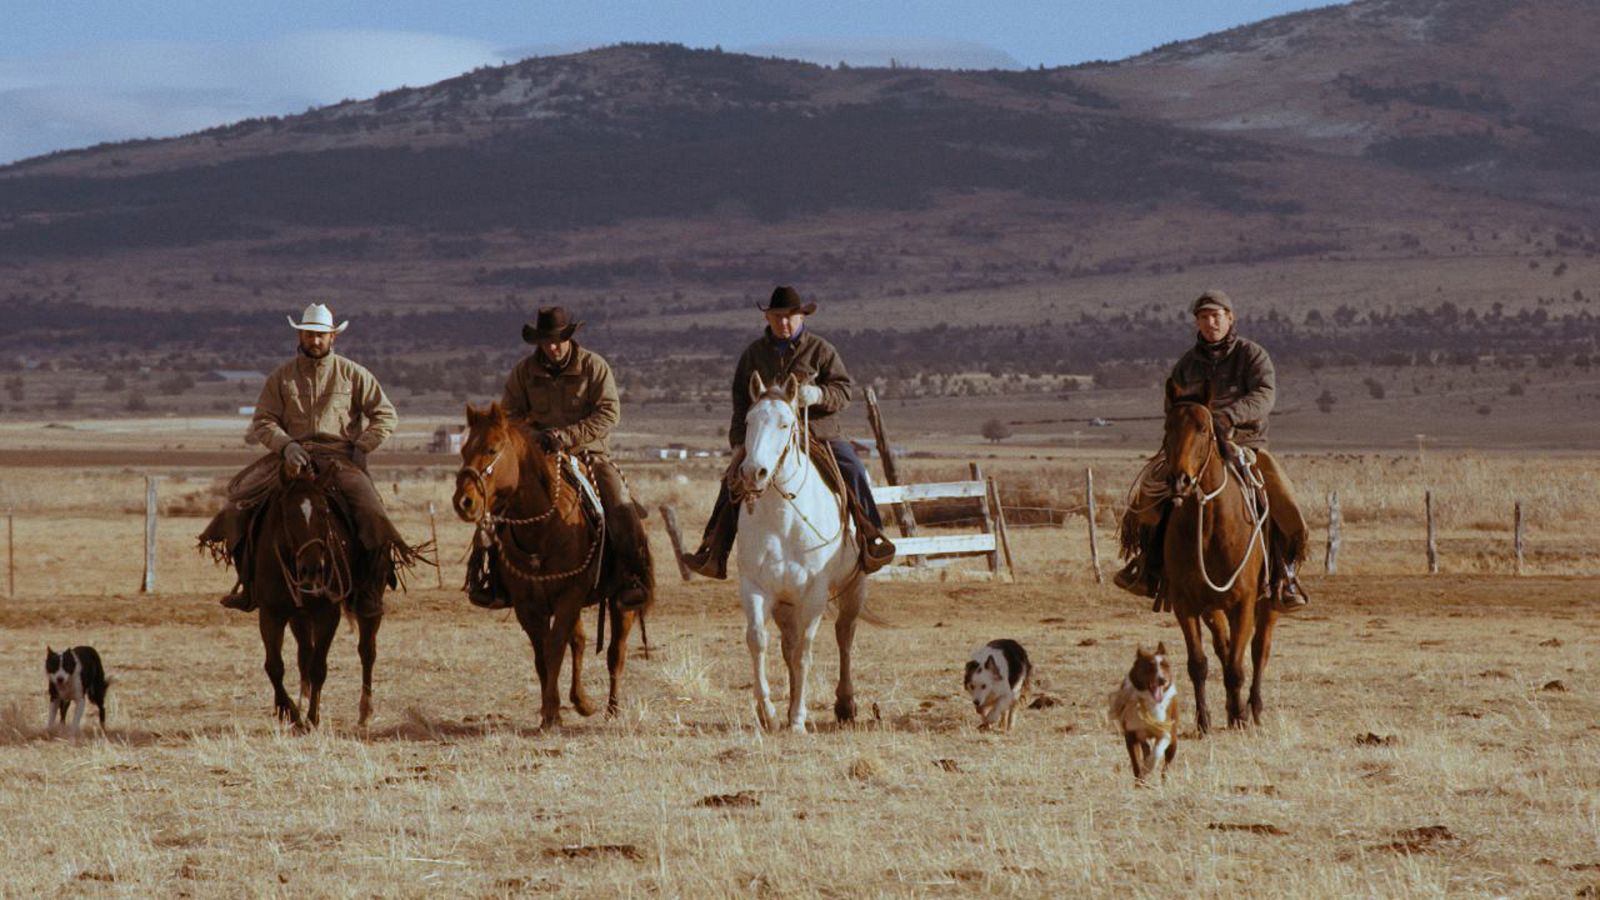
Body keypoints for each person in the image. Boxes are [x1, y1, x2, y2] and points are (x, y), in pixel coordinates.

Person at [199, 303, 404, 617]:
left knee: (374, 514)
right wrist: (285, 446)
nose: (315, 340)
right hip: (293, 456)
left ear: (333, 336)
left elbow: (385, 414)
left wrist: (362, 446)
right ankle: (250, 585)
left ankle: (369, 589)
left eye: (321, 335)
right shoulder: (281, 377)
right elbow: (264, 420)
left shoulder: (353, 374)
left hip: (340, 458)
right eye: (310, 333)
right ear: (301, 335)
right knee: (237, 507)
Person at [1114, 289, 1309, 610]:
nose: (1210, 322)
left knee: (1277, 495)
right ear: (1197, 323)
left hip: (1243, 443)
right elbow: (1173, 403)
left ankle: (1283, 574)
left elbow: (1264, 395)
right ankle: (1147, 565)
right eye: (1204, 317)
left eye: (1216, 316)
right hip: (1196, 448)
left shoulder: (1252, 355)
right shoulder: (1187, 365)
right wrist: (1189, 428)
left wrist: (1228, 417)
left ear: (1230, 318)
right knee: (1152, 489)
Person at [684, 285, 895, 579]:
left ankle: (871, 538)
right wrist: (738, 443)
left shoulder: (821, 350)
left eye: (790, 317)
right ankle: (713, 551)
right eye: (777, 317)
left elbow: (844, 392)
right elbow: (740, 403)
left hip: (818, 433)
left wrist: (819, 395)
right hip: (768, 438)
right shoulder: (753, 355)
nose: (784, 323)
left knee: (853, 469)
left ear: (802, 317)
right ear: (768, 318)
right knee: (732, 481)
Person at [466, 306, 652, 611]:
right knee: (495, 509)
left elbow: (608, 413)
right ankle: (493, 579)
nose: (552, 347)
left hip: (589, 454)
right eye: (545, 341)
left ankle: (631, 577)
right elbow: (508, 417)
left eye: (557, 340)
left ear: (568, 337)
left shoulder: (594, 367)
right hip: (538, 457)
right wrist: (532, 436)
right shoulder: (524, 372)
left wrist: (565, 436)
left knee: (620, 505)